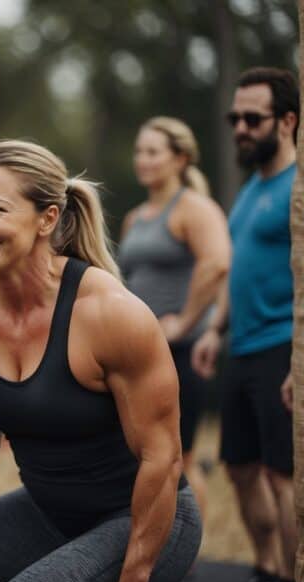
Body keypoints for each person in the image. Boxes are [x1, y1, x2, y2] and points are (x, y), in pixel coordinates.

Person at [0, 139, 201, 582]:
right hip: (49, 514)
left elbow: (162, 458)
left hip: (144, 521)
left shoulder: (109, 313)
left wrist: (134, 579)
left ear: (48, 218)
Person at [192, 67, 299, 582]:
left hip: (285, 346)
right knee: (239, 468)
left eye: (252, 118)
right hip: (244, 347)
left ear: (287, 122)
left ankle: (290, 577)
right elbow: (237, 270)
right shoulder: (252, 191)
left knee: (284, 477)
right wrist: (215, 329)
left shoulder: (297, 190)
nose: (240, 127)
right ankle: (267, 571)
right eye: (235, 117)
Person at [117, 116, 230, 524]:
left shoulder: (193, 208)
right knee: (144, 455)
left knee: (177, 454)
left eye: (153, 152)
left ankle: (187, 542)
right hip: (142, 353)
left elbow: (217, 264)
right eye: (139, 151)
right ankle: (160, 537)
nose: (143, 160)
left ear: (180, 158)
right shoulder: (136, 218)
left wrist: (183, 322)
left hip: (181, 352)